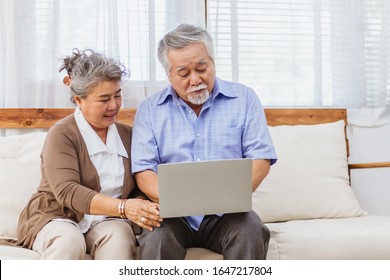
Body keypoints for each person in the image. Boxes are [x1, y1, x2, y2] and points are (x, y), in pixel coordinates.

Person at [131, 24, 277, 260]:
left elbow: (261, 159)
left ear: (213, 62)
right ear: (168, 75)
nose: (196, 80)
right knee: (156, 237)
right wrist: (180, 201)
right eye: (184, 73)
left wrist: (227, 196)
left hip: (227, 214)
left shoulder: (244, 99)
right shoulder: (150, 109)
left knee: (250, 229)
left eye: (202, 68)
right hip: (172, 215)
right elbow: (143, 170)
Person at [16, 48, 162, 260]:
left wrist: (142, 205)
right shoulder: (62, 134)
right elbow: (67, 191)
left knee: (120, 237)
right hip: (57, 218)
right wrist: (123, 208)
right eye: (103, 99)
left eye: (117, 96)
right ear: (78, 100)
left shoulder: (128, 135)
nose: (113, 105)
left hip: (107, 220)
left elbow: (137, 187)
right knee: (69, 239)